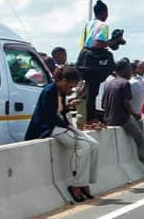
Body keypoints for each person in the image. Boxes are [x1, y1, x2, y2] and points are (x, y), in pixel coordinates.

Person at [26, 66, 100, 202]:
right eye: (71, 86)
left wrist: (69, 115)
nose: (71, 89)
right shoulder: (49, 91)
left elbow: (62, 111)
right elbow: (49, 116)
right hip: (47, 128)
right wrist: (68, 127)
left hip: (61, 125)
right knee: (84, 146)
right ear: (64, 80)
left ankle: (85, 181)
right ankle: (77, 185)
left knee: (94, 145)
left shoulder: (61, 91)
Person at [102, 59, 144, 178]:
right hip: (122, 118)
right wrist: (135, 114)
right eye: (129, 69)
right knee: (141, 138)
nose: (131, 71)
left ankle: (143, 158)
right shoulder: (125, 83)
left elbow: (104, 104)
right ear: (123, 70)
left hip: (109, 118)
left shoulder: (109, 83)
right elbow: (126, 103)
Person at [74, 1, 122, 127]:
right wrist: (114, 41)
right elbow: (98, 44)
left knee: (89, 90)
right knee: (93, 92)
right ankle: (91, 119)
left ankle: (89, 117)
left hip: (84, 58)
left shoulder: (88, 24)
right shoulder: (103, 25)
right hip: (94, 62)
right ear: (105, 12)